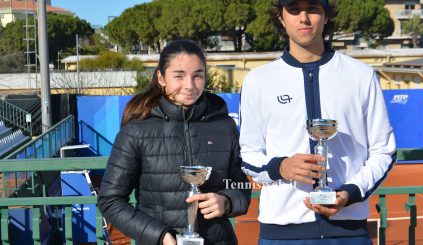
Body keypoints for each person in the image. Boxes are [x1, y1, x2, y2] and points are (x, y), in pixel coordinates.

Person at [239, 0, 396, 244]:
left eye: (313, 9)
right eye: (293, 10)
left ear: (325, 16)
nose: (304, 17)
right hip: (282, 234)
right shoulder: (258, 81)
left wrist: (350, 193)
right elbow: (247, 154)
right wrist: (280, 167)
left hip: (348, 232)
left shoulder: (361, 75)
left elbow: (384, 150)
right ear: (281, 18)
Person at [98, 39, 251, 245]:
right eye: (179, 76)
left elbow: (240, 184)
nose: (189, 86)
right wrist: (160, 236)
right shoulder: (136, 131)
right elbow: (110, 200)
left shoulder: (224, 125)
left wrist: (227, 201)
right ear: (161, 78)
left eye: (198, 76)